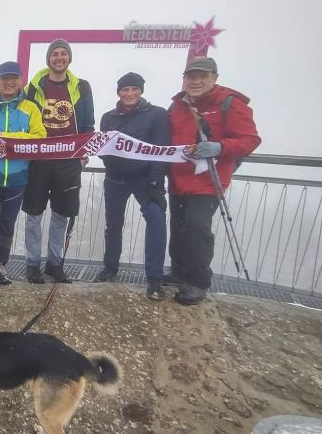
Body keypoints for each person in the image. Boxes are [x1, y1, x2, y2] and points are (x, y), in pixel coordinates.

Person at [166, 57, 261, 305]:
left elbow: (250, 140)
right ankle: (178, 272)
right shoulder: (177, 106)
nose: (196, 81)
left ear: (214, 78)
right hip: (178, 179)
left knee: (197, 228)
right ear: (184, 79)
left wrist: (220, 147)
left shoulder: (230, 104)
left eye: (202, 76)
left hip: (209, 181)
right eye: (191, 76)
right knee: (178, 228)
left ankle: (197, 282)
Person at [23, 39, 94, 284]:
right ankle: (32, 264)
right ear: (48, 59)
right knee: (34, 213)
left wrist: (84, 153)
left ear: (69, 58)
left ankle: (55, 263)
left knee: (61, 214)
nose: (59, 58)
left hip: (68, 160)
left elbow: (88, 124)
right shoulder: (33, 86)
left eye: (63, 53)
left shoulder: (82, 87)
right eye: (55, 54)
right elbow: (16, 107)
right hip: (39, 159)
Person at [95, 73, 170, 299]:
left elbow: (162, 147)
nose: (129, 94)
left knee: (156, 220)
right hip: (115, 178)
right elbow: (103, 146)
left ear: (141, 91)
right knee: (113, 224)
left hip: (146, 179)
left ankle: (154, 278)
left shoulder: (157, 114)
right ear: (118, 92)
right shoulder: (108, 117)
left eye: (134, 89)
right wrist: (111, 163)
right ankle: (110, 268)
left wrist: (157, 180)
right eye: (125, 90)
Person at [0, 61, 47, 286]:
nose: (9, 82)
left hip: (17, 178)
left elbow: (40, 137)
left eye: (14, 78)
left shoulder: (31, 107)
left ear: (21, 81)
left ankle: (0, 265)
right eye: (4, 78)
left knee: (8, 223)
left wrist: (8, 137)